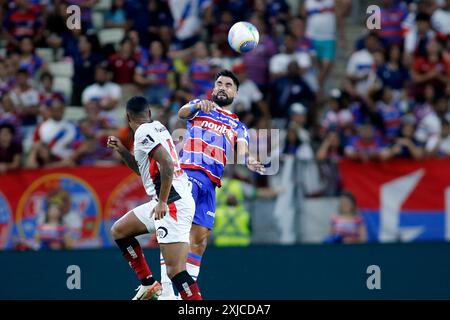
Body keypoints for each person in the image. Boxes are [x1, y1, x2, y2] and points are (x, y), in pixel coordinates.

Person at [159, 70, 265, 299]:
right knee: (177, 234)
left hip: (210, 185)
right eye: (219, 83)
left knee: (199, 241)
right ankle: (167, 291)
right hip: (188, 175)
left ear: (235, 93)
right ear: (213, 88)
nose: (223, 87)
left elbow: (243, 149)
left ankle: (182, 296)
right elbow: (182, 112)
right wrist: (198, 107)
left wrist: (250, 160)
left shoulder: (238, 125)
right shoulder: (200, 106)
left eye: (228, 85)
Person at [107, 96, 202, 300]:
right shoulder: (157, 127)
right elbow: (144, 171)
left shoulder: (142, 132)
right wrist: (122, 150)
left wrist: (161, 202)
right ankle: (148, 284)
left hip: (171, 204)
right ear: (149, 114)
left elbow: (166, 164)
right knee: (119, 231)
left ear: (127, 117)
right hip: (169, 199)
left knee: (175, 271)